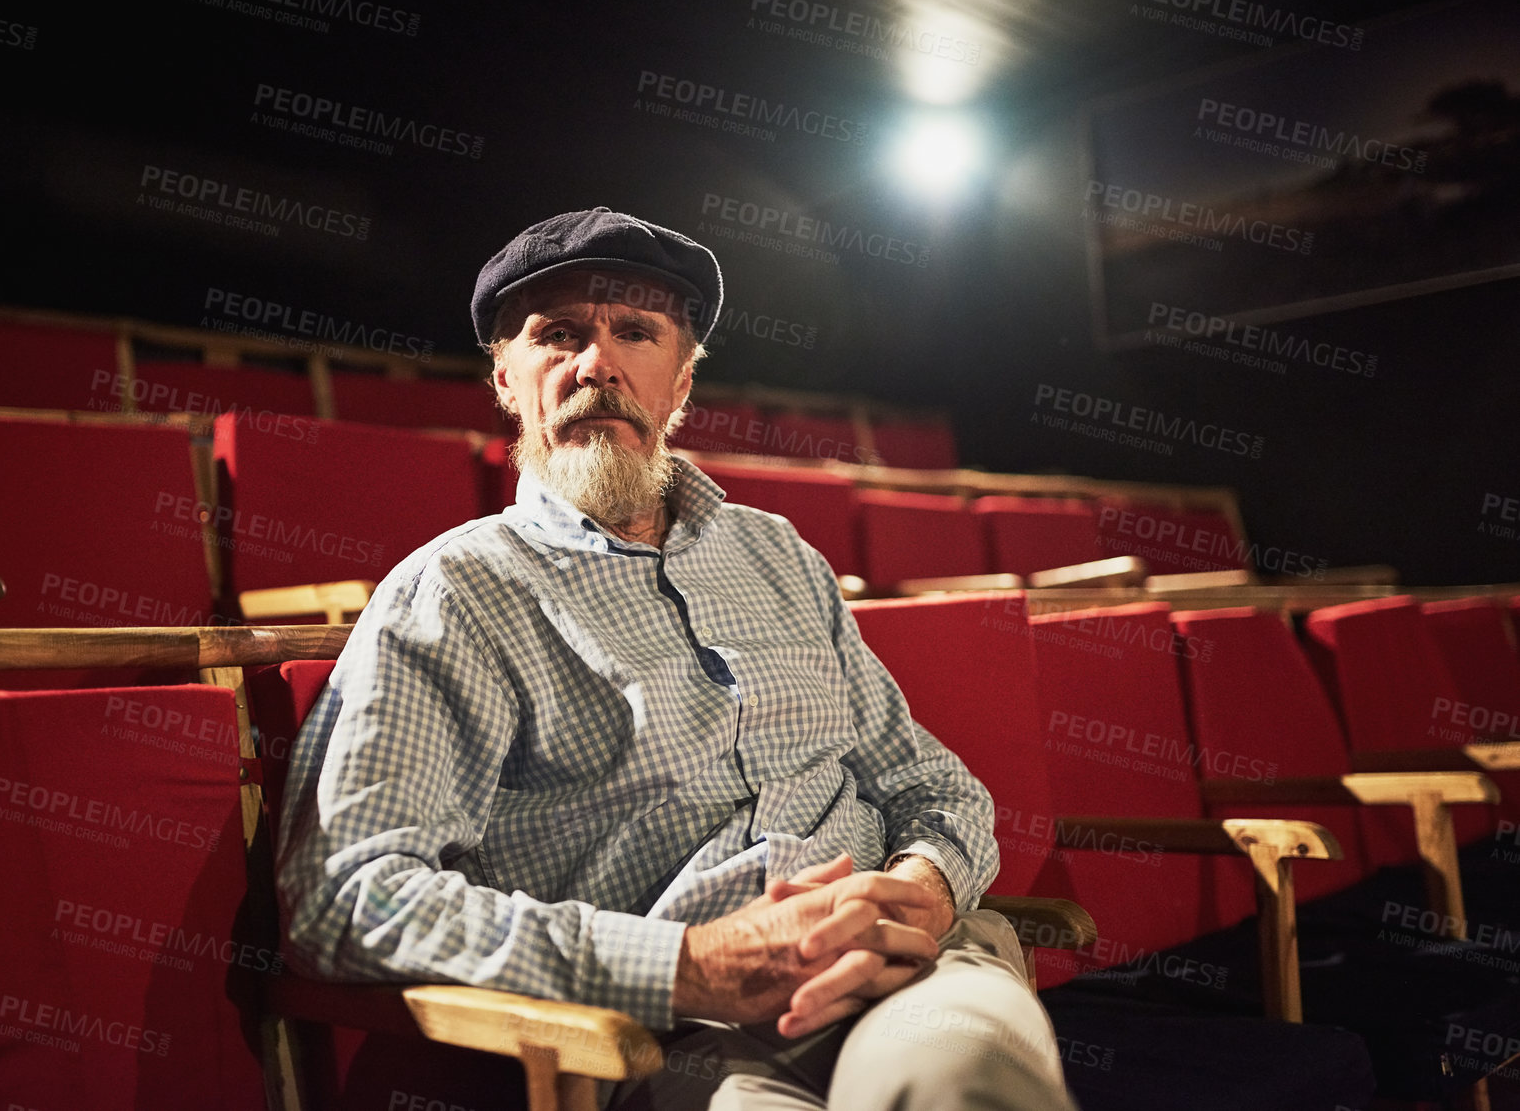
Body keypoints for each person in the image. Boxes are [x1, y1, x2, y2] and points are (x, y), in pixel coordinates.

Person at [276, 207, 1075, 1110]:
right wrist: (690, 965)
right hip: (681, 1036)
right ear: (506, 375)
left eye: (636, 333)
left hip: (912, 975)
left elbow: (931, 786)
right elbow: (345, 897)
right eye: (558, 334)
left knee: (965, 1080)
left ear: (679, 382)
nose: (596, 363)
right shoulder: (454, 591)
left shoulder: (778, 554)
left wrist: (925, 884)